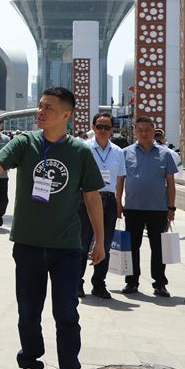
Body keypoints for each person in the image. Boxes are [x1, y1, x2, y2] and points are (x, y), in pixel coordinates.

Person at [0, 87, 105, 369]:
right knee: (28, 313)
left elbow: (92, 197)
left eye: (49, 108)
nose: (41, 111)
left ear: (66, 114)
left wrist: (100, 240)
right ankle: (30, 366)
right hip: (28, 244)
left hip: (67, 247)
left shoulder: (80, 151)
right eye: (40, 106)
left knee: (66, 313)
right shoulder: (25, 142)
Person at [116, 116, 178, 297]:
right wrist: (118, 203)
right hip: (133, 208)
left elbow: (171, 182)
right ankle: (131, 282)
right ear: (135, 132)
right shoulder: (125, 153)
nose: (144, 133)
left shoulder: (165, 154)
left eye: (148, 130)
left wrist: (171, 207)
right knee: (132, 247)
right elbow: (120, 180)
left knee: (158, 248)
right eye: (140, 130)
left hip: (158, 209)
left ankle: (160, 284)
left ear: (154, 131)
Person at [78, 112, 125, 299]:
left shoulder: (118, 152)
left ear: (112, 129)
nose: (103, 130)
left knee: (104, 244)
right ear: (93, 127)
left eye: (107, 127)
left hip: (108, 200)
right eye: (99, 126)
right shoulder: (84, 148)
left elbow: (120, 179)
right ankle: (77, 282)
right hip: (86, 199)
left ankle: (99, 284)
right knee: (82, 243)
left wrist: (119, 202)